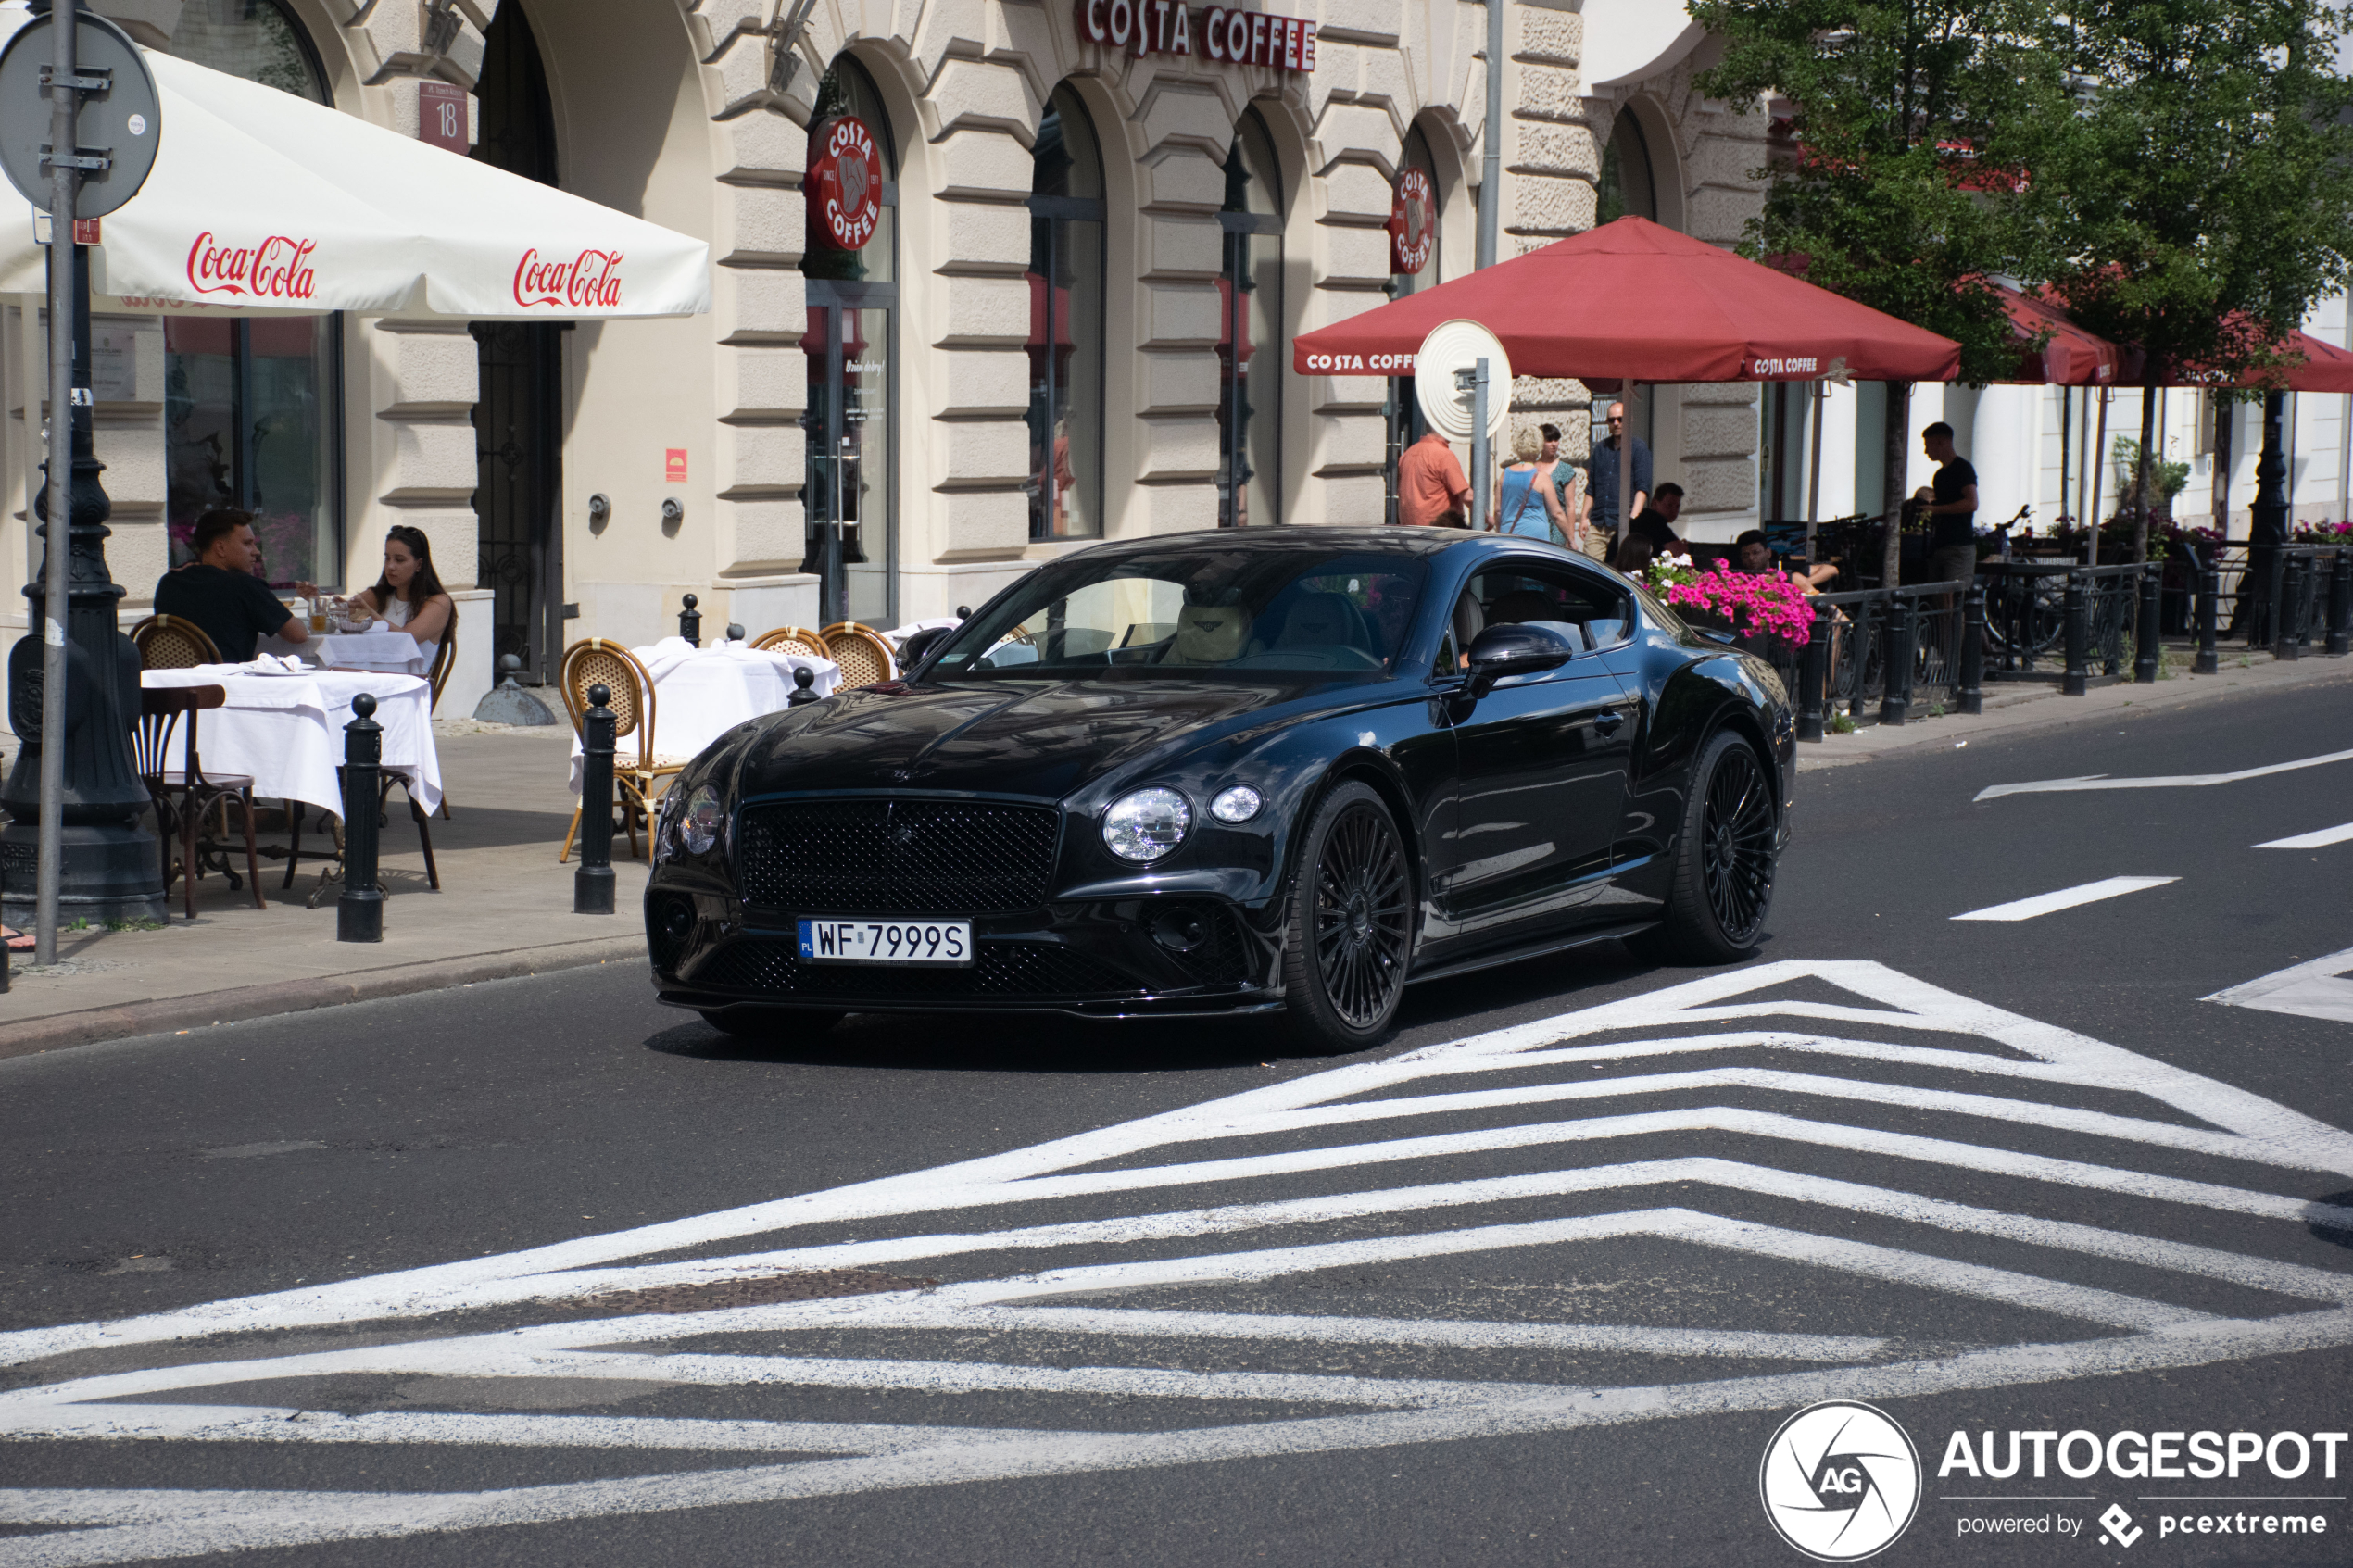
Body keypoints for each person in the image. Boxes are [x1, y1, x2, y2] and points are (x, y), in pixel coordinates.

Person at [153, 508, 313, 663]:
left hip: (171, 683)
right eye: (247, 543)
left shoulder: (169, 582)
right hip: (224, 685)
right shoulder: (243, 585)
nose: (256, 551)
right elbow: (298, 635)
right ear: (220, 548)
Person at [346, 525, 456, 665]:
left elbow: (406, 639)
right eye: (387, 559)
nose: (390, 566)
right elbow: (350, 621)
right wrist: (317, 601)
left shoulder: (439, 602)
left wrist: (370, 612)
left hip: (410, 681)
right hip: (372, 674)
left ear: (419, 564)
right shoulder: (379, 597)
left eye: (399, 560)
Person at [1579, 400, 1652, 556]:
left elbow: (1642, 487)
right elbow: (1591, 487)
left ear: (1629, 420)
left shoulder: (1638, 448)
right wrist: (1584, 517)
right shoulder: (1600, 449)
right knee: (1591, 569)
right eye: (1612, 420)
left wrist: (1634, 518)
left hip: (1623, 524)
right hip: (1599, 523)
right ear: (1607, 422)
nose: (1616, 423)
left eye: (1621, 419)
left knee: (1621, 570)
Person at [1921, 421, 1980, 591]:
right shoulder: (1939, 476)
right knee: (1938, 601)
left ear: (1941, 442)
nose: (1926, 451)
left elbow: (1971, 503)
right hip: (1939, 545)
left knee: (1953, 598)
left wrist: (1936, 509)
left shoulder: (1963, 469)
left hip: (1959, 546)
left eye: (1928, 445)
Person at [1489, 427, 1570, 542]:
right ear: (1539, 446)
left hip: (1508, 536)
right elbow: (1557, 514)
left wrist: (1500, 531)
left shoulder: (1505, 474)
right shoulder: (1541, 477)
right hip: (1535, 538)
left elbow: (1498, 510)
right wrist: (1571, 540)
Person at [1395, 427, 1473, 527]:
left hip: (1410, 531)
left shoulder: (1407, 454)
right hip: (1439, 531)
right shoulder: (1444, 455)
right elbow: (1468, 497)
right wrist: (1486, 518)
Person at [1538, 423, 1587, 555]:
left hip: (1557, 529)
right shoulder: (1532, 468)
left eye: (1556, 440)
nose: (1554, 444)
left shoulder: (1565, 470)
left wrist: (1569, 537)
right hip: (1536, 526)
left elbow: (1570, 505)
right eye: (1549, 440)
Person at [1630, 482, 1688, 558]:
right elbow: (1680, 553)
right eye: (1669, 505)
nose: (1674, 511)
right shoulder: (1654, 521)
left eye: (1677, 506)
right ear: (1654, 503)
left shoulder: (1645, 517)